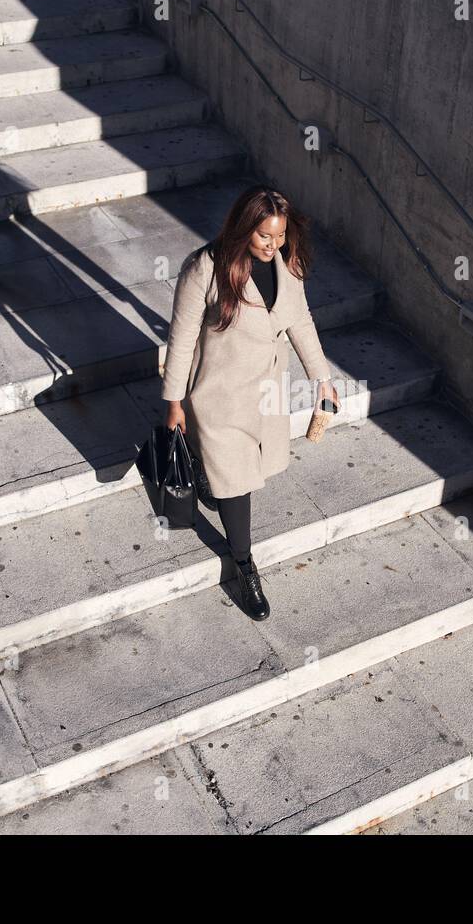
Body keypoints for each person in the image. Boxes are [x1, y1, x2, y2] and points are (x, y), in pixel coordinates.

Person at [161, 186, 340, 620]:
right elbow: (181, 340)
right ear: (244, 228)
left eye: (279, 236)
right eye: (264, 236)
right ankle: (243, 564)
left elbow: (300, 320)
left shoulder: (287, 265)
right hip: (218, 397)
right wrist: (174, 402)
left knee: (250, 472)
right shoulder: (205, 268)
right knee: (237, 487)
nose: (272, 245)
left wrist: (323, 380)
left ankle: (209, 472)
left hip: (267, 395)